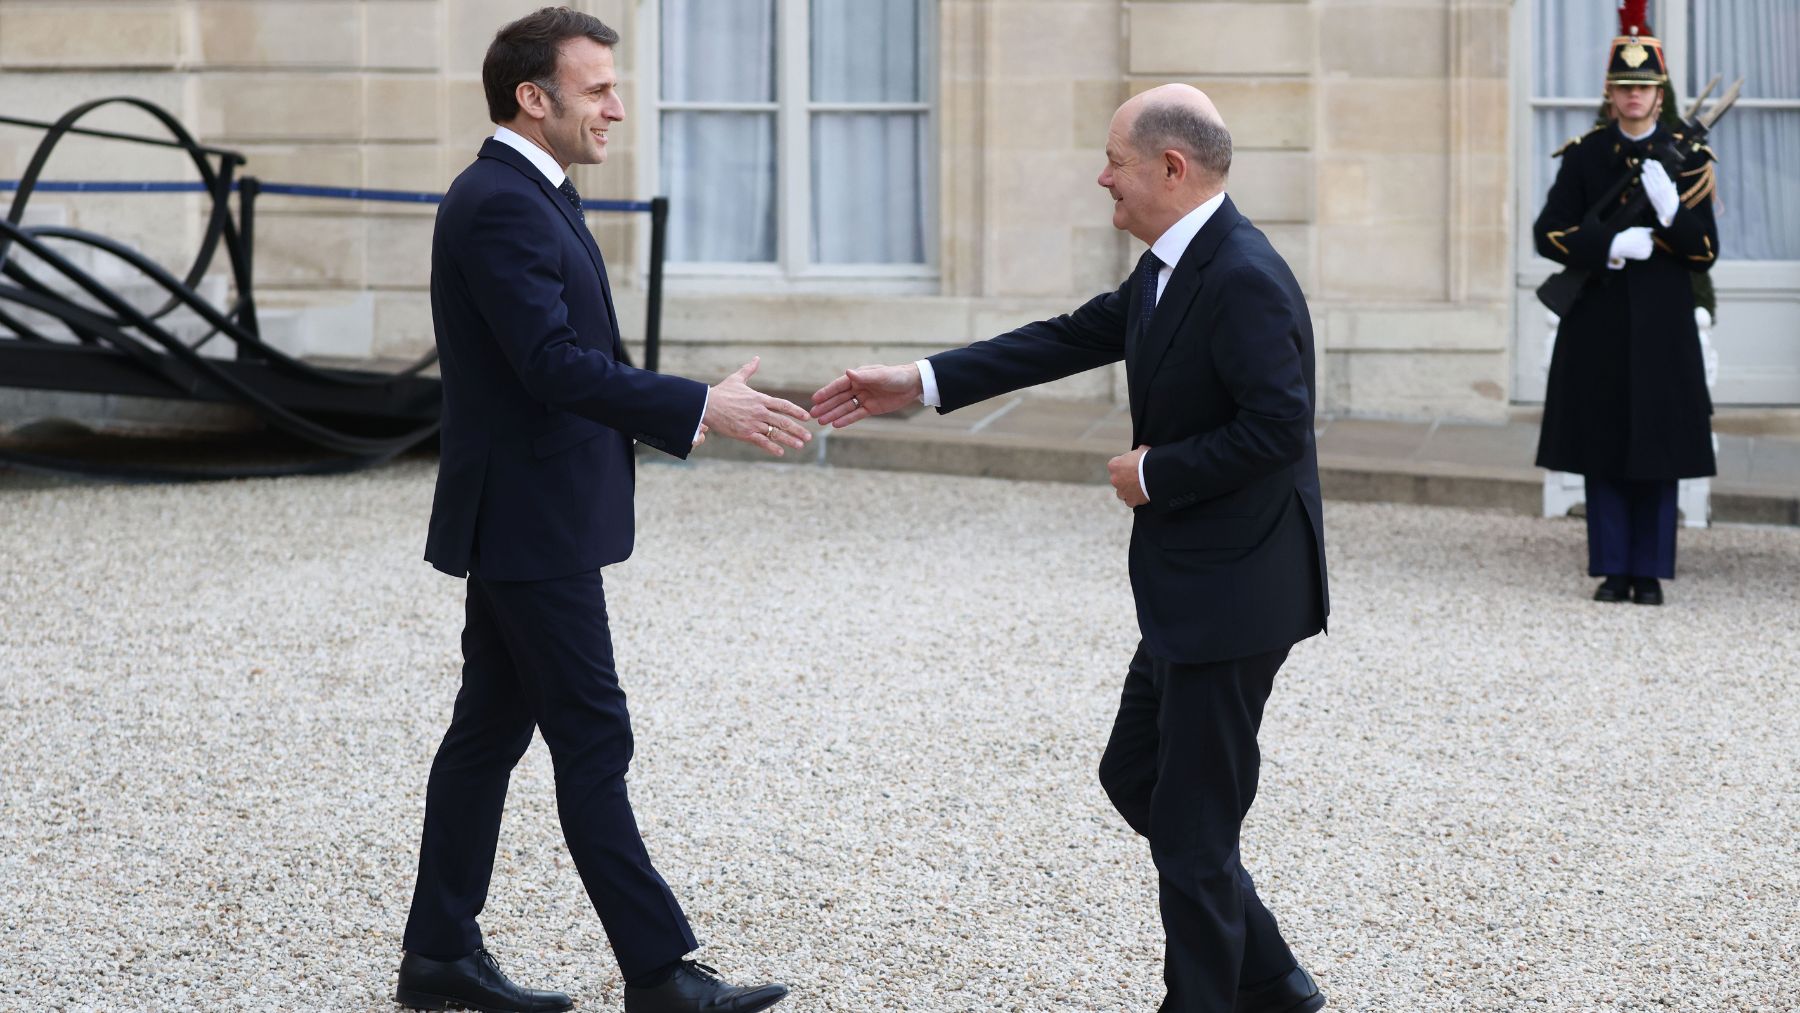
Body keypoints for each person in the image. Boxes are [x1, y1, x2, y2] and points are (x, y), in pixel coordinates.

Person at [811, 85, 1329, 1013]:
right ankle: (1274, 979)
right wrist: (919, 380)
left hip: (1240, 589)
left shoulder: (1243, 274)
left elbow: (1280, 428)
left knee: (1194, 826)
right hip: (1194, 587)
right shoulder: (1172, 264)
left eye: (1115, 161)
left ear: (1171, 168)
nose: (1103, 178)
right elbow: (1069, 337)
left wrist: (1156, 471)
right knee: (1136, 776)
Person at [397, 8, 802, 1013]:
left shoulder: (534, 194)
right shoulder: (500, 202)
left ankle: (439, 953)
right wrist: (699, 403)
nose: (617, 107)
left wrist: (686, 401)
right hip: (530, 523)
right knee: (592, 734)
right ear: (533, 98)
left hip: (533, 516)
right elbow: (552, 365)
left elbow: (567, 359)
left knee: (487, 731)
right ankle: (661, 973)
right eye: (598, 90)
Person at [1533, 7, 1719, 606]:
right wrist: (1608, 244)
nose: (1634, 96)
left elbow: (1705, 252)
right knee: (1603, 443)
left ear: (1658, 95)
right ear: (1610, 94)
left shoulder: (1687, 160)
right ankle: (1613, 568)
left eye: (1644, 87)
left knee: (1657, 448)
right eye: (1624, 87)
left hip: (1663, 324)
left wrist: (1671, 215)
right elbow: (1548, 233)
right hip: (1599, 321)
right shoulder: (1587, 156)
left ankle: (1650, 569)